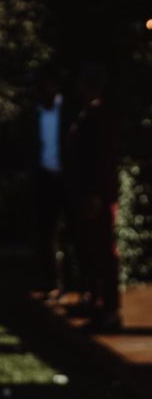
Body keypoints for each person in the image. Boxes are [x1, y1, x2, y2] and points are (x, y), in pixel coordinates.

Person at [67, 62, 121, 331]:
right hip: (87, 194)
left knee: (104, 251)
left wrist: (97, 195)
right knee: (90, 249)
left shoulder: (99, 118)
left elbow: (102, 161)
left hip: (96, 196)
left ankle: (110, 309)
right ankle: (97, 302)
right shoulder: (87, 115)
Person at [32, 69, 71, 297]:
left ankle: (77, 284)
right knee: (46, 234)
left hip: (66, 177)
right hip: (44, 178)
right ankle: (52, 282)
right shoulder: (35, 114)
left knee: (73, 234)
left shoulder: (69, 111)